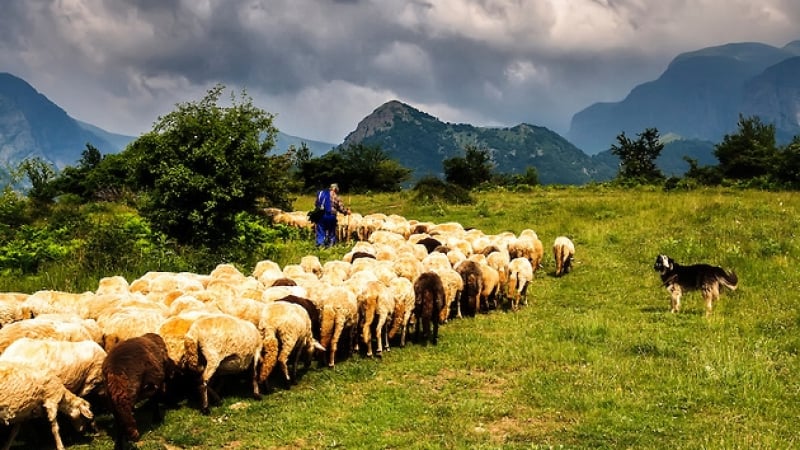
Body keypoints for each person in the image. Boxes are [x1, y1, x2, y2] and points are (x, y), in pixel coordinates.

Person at [314, 183, 350, 247]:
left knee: (321, 229)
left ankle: (320, 244)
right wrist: (346, 212)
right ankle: (331, 244)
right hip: (331, 215)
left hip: (321, 215)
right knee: (331, 230)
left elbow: (316, 203)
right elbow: (341, 208)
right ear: (336, 189)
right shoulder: (337, 197)